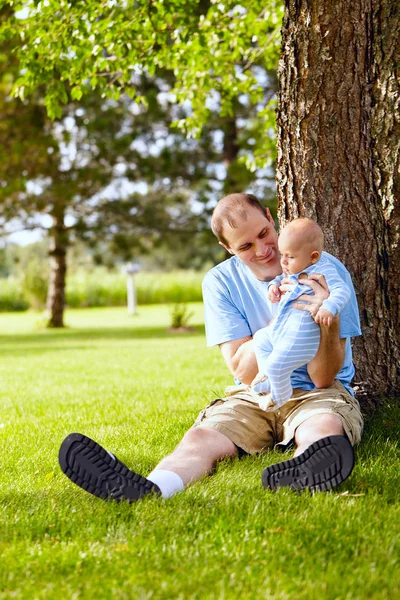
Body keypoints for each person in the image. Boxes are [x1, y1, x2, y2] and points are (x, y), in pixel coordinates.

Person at [58, 193, 363, 501]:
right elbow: (244, 372)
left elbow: (323, 377)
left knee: (323, 425)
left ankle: (303, 471)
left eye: (263, 234)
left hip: (318, 393)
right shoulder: (220, 282)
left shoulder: (326, 271)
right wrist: (281, 322)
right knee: (200, 438)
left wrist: (329, 316)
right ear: (228, 248)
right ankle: (151, 488)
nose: (264, 250)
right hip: (254, 394)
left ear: (271, 219)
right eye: (245, 246)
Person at [251, 217, 351, 412]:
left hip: (302, 338)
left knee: (276, 364)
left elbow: (342, 291)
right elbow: (281, 278)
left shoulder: (324, 270)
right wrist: (273, 286)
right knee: (261, 339)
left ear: (313, 257)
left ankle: (280, 396)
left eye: (290, 257)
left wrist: (328, 307)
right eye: (282, 255)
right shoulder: (294, 271)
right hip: (283, 331)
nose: (283, 262)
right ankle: (268, 379)